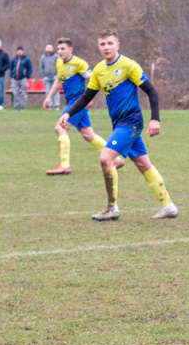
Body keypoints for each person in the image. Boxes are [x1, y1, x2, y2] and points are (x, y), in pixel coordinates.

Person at [59, 30, 178, 222]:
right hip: (119, 123)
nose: (106, 47)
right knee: (143, 164)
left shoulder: (128, 65)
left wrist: (155, 119)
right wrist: (68, 112)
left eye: (109, 43)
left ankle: (111, 208)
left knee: (105, 158)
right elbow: (87, 96)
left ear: (117, 45)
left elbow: (151, 91)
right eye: (102, 44)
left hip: (130, 122)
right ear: (98, 47)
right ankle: (168, 206)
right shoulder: (98, 70)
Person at [44, 38, 124, 176]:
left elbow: (93, 79)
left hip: (77, 102)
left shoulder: (78, 63)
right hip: (72, 101)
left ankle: (64, 166)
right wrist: (49, 96)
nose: (59, 52)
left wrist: (89, 98)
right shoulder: (59, 62)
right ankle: (116, 159)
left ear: (70, 49)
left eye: (63, 49)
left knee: (60, 128)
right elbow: (59, 80)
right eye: (58, 49)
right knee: (88, 134)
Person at [9, 47, 32, 111]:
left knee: (23, 94)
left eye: (21, 51)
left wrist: (27, 76)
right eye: (18, 51)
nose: (19, 52)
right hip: (14, 79)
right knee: (15, 94)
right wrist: (11, 75)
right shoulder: (14, 59)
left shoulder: (26, 59)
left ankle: (23, 107)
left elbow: (30, 68)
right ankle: (16, 107)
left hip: (23, 79)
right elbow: (10, 68)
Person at [39, 44, 60, 110]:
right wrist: (43, 75)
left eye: (50, 48)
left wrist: (58, 74)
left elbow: (60, 65)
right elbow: (41, 67)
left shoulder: (56, 56)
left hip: (55, 76)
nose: (49, 49)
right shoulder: (43, 57)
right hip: (46, 77)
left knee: (56, 91)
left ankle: (56, 105)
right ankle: (49, 105)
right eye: (47, 48)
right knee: (48, 92)